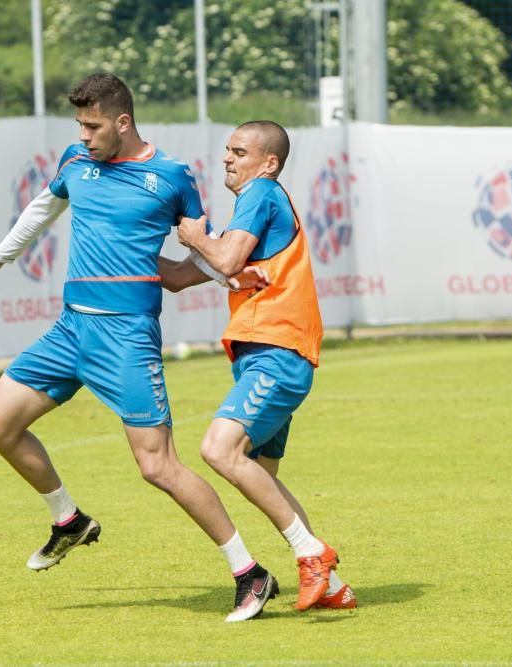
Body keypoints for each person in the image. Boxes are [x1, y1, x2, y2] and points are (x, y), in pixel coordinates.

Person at [0, 73, 290, 622]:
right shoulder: (74, 162)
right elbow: (43, 206)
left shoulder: (172, 177)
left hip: (127, 337)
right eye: (79, 126)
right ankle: (69, 520)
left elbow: (201, 251)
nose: (84, 136)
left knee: (159, 467)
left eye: (92, 126)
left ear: (123, 122)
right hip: (70, 330)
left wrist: (228, 276)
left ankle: (249, 572)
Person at [159, 120, 356, 611]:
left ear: (268, 162)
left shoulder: (261, 192)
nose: (228, 158)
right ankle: (332, 588)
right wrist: (123, 246)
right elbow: (183, 278)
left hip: (277, 353)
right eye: (227, 150)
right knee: (259, 472)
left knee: (218, 450)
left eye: (239, 151)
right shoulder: (255, 211)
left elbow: (222, 260)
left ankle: (312, 553)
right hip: (263, 356)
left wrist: (195, 235)